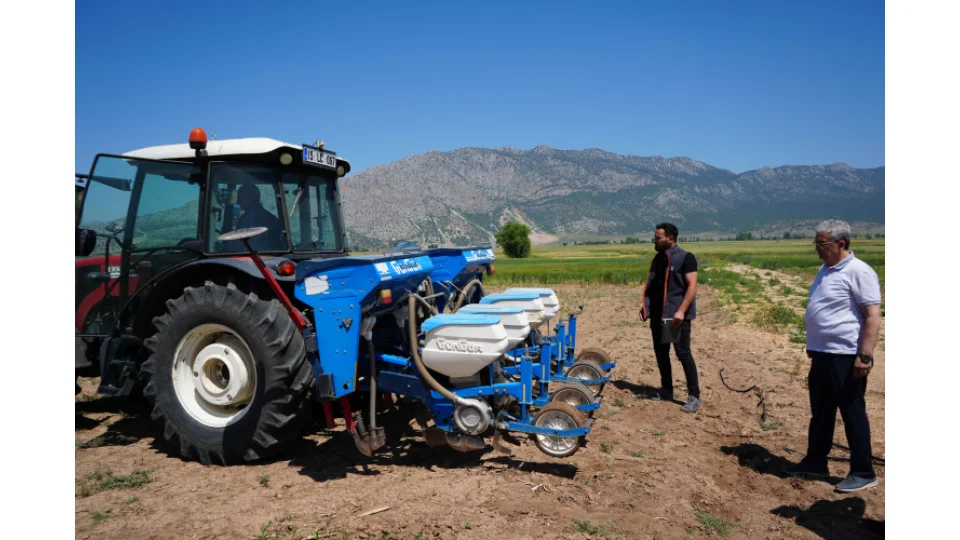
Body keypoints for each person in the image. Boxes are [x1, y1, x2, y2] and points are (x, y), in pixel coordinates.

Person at [787, 220, 882, 493]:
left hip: (845, 355)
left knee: (852, 413)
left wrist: (865, 355)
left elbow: (872, 316)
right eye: (816, 242)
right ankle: (816, 461)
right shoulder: (825, 270)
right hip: (822, 353)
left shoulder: (859, 271)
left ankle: (863, 472)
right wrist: (813, 342)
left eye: (822, 243)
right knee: (821, 412)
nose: (816, 248)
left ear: (840, 244)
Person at [639, 222, 701, 413]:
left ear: (670, 238)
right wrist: (645, 307)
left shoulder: (685, 258)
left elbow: (692, 287)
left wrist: (681, 311)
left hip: (675, 317)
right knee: (661, 352)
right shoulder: (658, 259)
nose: (654, 241)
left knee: (682, 353)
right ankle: (667, 389)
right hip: (658, 316)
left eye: (658, 238)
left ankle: (694, 396)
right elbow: (652, 286)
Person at [234, 184, 284, 251]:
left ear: (248, 198)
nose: (238, 202)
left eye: (240, 198)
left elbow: (240, 246)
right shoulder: (271, 218)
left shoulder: (247, 219)